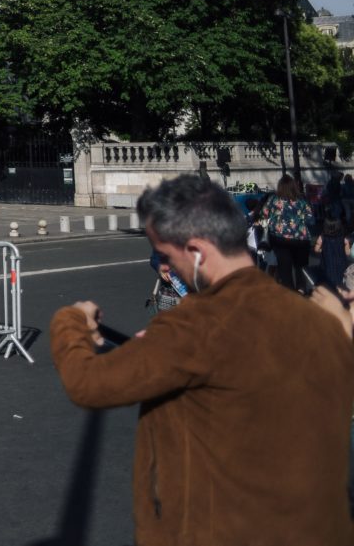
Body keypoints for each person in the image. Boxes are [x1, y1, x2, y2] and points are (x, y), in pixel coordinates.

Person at [50, 174, 354, 546]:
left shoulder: (197, 324)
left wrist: (71, 322)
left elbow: (87, 383)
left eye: (166, 254)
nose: (165, 267)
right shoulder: (312, 317)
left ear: (195, 251)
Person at [265, 173, 314, 291]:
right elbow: (311, 219)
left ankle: (289, 292)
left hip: (279, 239)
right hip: (301, 239)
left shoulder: (273, 200)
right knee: (300, 266)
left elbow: (264, 214)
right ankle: (301, 289)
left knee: (284, 268)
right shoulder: (302, 200)